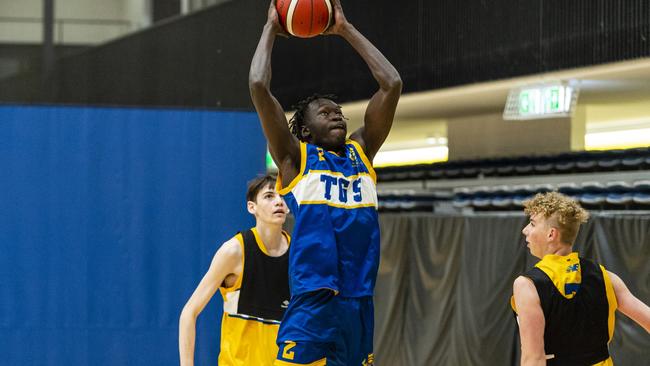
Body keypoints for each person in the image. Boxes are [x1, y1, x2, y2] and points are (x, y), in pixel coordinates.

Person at [249, 0, 402, 364]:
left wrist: (344, 28)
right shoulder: (295, 159)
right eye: (326, 113)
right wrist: (272, 26)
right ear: (304, 129)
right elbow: (258, 84)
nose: (337, 116)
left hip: (358, 300)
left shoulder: (361, 151)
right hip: (313, 299)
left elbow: (391, 83)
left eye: (339, 113)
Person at [511, 192, 650, 366]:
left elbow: (534, 359)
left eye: (532, 224)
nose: (525, 230)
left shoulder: (527, 285)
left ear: (551, 234)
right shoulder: (606, 277)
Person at [179, 175, 291, 366]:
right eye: (269, 196)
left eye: (282, 196)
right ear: (251, 207)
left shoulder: (299, 253)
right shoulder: (234, 251)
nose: (278, 201)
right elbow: (189, 312)